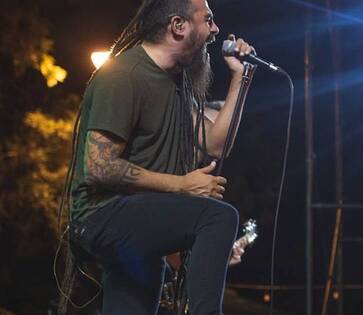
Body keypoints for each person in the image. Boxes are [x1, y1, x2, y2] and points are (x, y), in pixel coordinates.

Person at [67, 0, 254, 314]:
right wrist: (182, 186)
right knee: (218, 216)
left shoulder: (175, 84)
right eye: (208, 19)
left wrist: (241, 77)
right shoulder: (124, 75)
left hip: (139, 225)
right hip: (103, 217)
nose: (216, 29)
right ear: (178, 27)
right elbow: (98, 168)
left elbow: (216, 144)